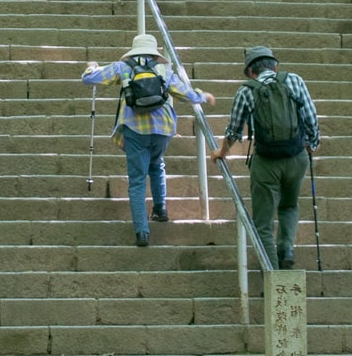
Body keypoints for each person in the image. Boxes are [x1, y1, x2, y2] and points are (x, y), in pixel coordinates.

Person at [82, 33, 215, 247]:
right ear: (154, 53)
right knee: (157, 164)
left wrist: (91, 66)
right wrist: (203, 96)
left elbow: (89, 79)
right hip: (162, 128)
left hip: (135, 128)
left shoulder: (122, 68)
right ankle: (160, 209)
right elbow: (186, 94)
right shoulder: (163, 70)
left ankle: (142, 232)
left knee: (136, 180)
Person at [208, 46, 319, 270]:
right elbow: (311, 117)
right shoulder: (294, 80)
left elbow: (234, 130)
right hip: (297, 157)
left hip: (266, 162)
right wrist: (312, 144)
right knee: (289, 205)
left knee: (263, 222)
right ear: (275, 66)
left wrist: (222, 152)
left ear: (250, 72)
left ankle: (271, 270)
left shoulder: (246, 91)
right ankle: (286, 249)